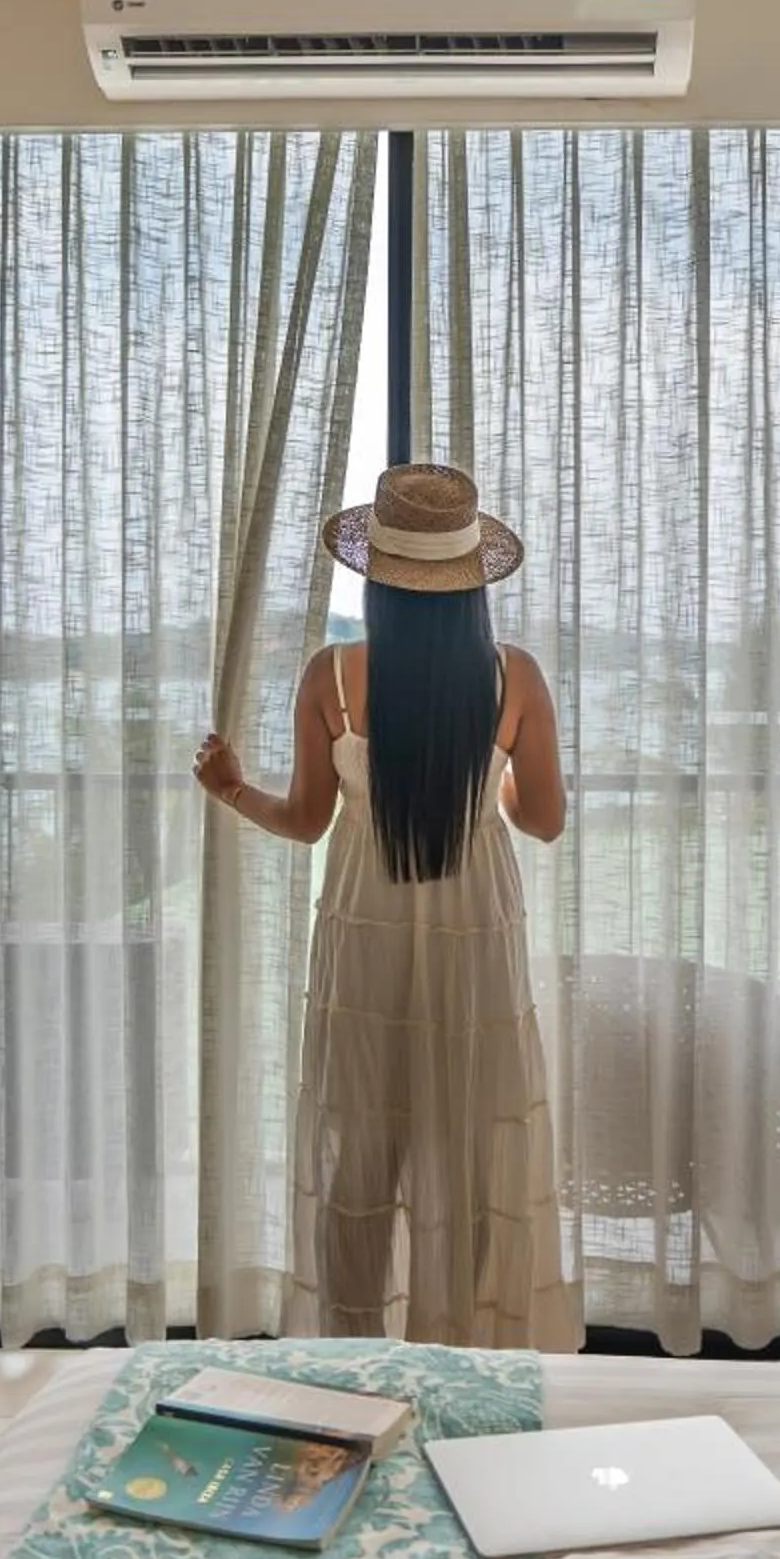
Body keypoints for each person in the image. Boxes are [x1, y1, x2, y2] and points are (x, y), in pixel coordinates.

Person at [192, 463, 582, 1350]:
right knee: (474, 1151)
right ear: (470, 582)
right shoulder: (512, 676)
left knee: (358, 1153)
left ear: (377, 581)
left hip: (365, 939)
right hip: (474, 936)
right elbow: (546, 820)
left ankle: (351, 1347)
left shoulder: (331, 678)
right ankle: (469, 1350)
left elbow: (304, 820)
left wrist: (229, 790)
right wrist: (495, 797)